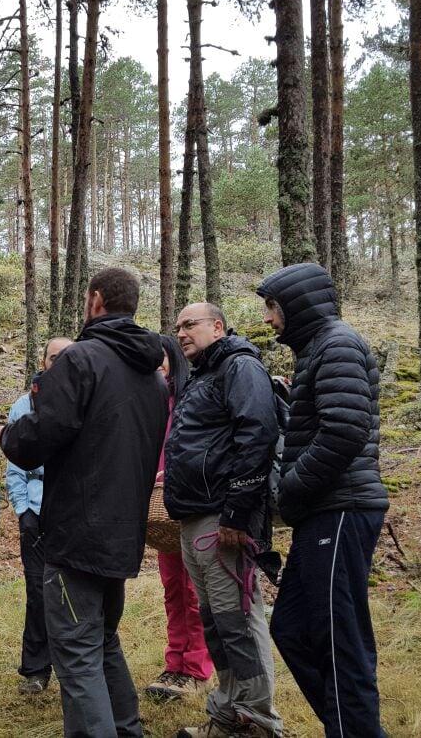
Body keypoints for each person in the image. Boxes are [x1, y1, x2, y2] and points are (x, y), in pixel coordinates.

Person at [0, 267, 168, 738]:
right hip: (122, 534)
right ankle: (125, 729)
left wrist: (9, 436)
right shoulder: (153, 377)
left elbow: (37, 439)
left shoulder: (80, 361)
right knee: (101, 639)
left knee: (75, 650)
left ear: (95, 300)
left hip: (77, 533)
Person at [256, 263, 390, 738]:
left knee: (339, 639)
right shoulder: (317, 351)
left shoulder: (337, 344)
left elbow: (346, 429)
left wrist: (291, 484)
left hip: (341, 508)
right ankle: (345, 726)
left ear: (296, 305)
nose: (269, 318)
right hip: (323, 511)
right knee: (291, 627)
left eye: (272, 307)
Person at [163, 303, 283, 738]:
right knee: (217, 622)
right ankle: (229, 715)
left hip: (223, 517)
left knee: (238, 622)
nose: (180, 333)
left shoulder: (239, 366)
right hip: (196, 516)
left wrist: (236, 511)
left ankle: (257, 721)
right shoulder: (203, 375)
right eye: (177, 327)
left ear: (217, 326)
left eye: (189, 325)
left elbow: (258, 436)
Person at [144, 333, 215, 703]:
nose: (156, 365)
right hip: (161, 511)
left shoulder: (190, 397)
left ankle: (197, 669)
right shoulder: (147, 400)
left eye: (161, 358)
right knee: (173, 589)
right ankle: (175, 663)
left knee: (193, 589)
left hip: (193, 506)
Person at [4, 336, 72, 696]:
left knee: (73, 592)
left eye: (66, 357)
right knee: (37, 589)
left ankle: (73, 666)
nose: (59, 363)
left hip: (73, 514)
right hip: (35, 509)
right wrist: (22, 510)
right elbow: (14, 465)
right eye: (53, 357)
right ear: (43, 362)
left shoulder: (85, 403)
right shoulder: (23, 405)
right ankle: (36, 668)